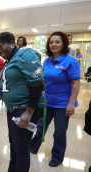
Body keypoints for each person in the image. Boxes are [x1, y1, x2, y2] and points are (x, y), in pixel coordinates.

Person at [0, 32, 45, 172]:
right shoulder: (10, 59)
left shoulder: (25, 54)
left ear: (11, 42)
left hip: (25, 109)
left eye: (0, 47)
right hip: (13, 110)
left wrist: (28, 112)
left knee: (21, 148)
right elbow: (6, 83)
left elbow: (37, 84)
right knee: (14, 144)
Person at [30, 31, 81, 167]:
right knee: (40, 127)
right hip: (47, 102)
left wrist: (71, 103)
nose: (54, 44)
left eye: (57, 42)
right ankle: (33, 147)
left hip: (63, 104)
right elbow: (45, 81)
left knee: (59, 132)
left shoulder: (71, 61)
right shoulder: (47, 62)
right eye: (51, 42)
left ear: (64, 44)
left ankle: (57, 156)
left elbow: (76, 83)